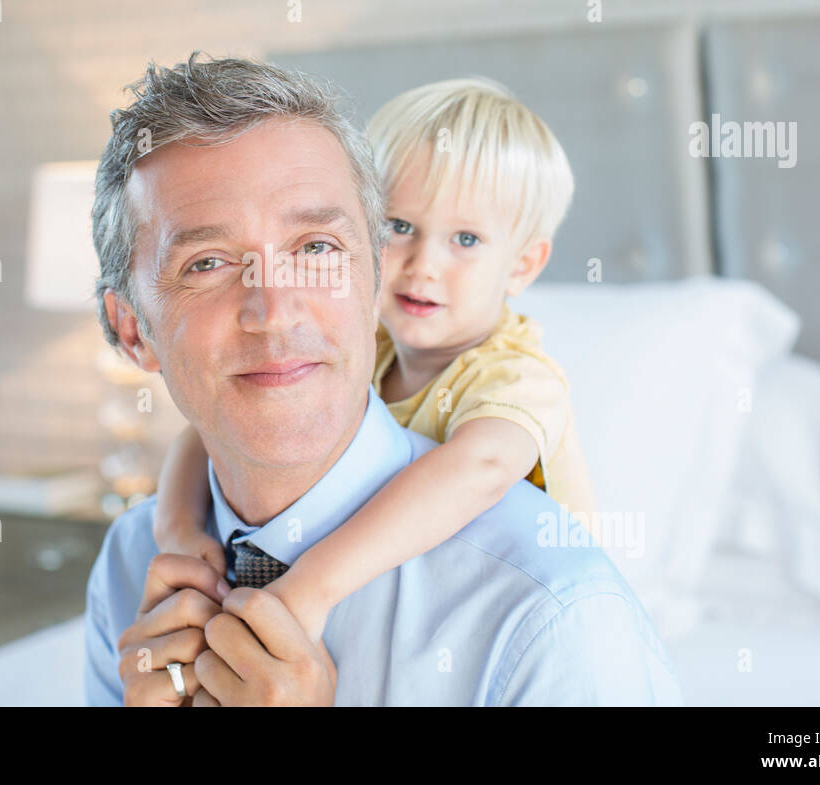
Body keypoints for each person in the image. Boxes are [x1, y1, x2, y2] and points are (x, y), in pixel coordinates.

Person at [83, 52, 682, 705]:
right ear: (133, 329)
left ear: (370, 282)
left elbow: (483, 465)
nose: (274, 311)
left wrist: (306, 588)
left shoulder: (553, 616)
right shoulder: (130, 563)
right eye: (206, 263)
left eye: (316, 248)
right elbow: (196, 442)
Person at [154, 77, 600, 643]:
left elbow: (478, 471)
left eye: (465, 240)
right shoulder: (370, 345)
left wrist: (312, 585)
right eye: (400, 227)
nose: (422, 265)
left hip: (503, 612)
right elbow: (210, 427)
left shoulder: (517, 376)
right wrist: (177, 530)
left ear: (522, 265)